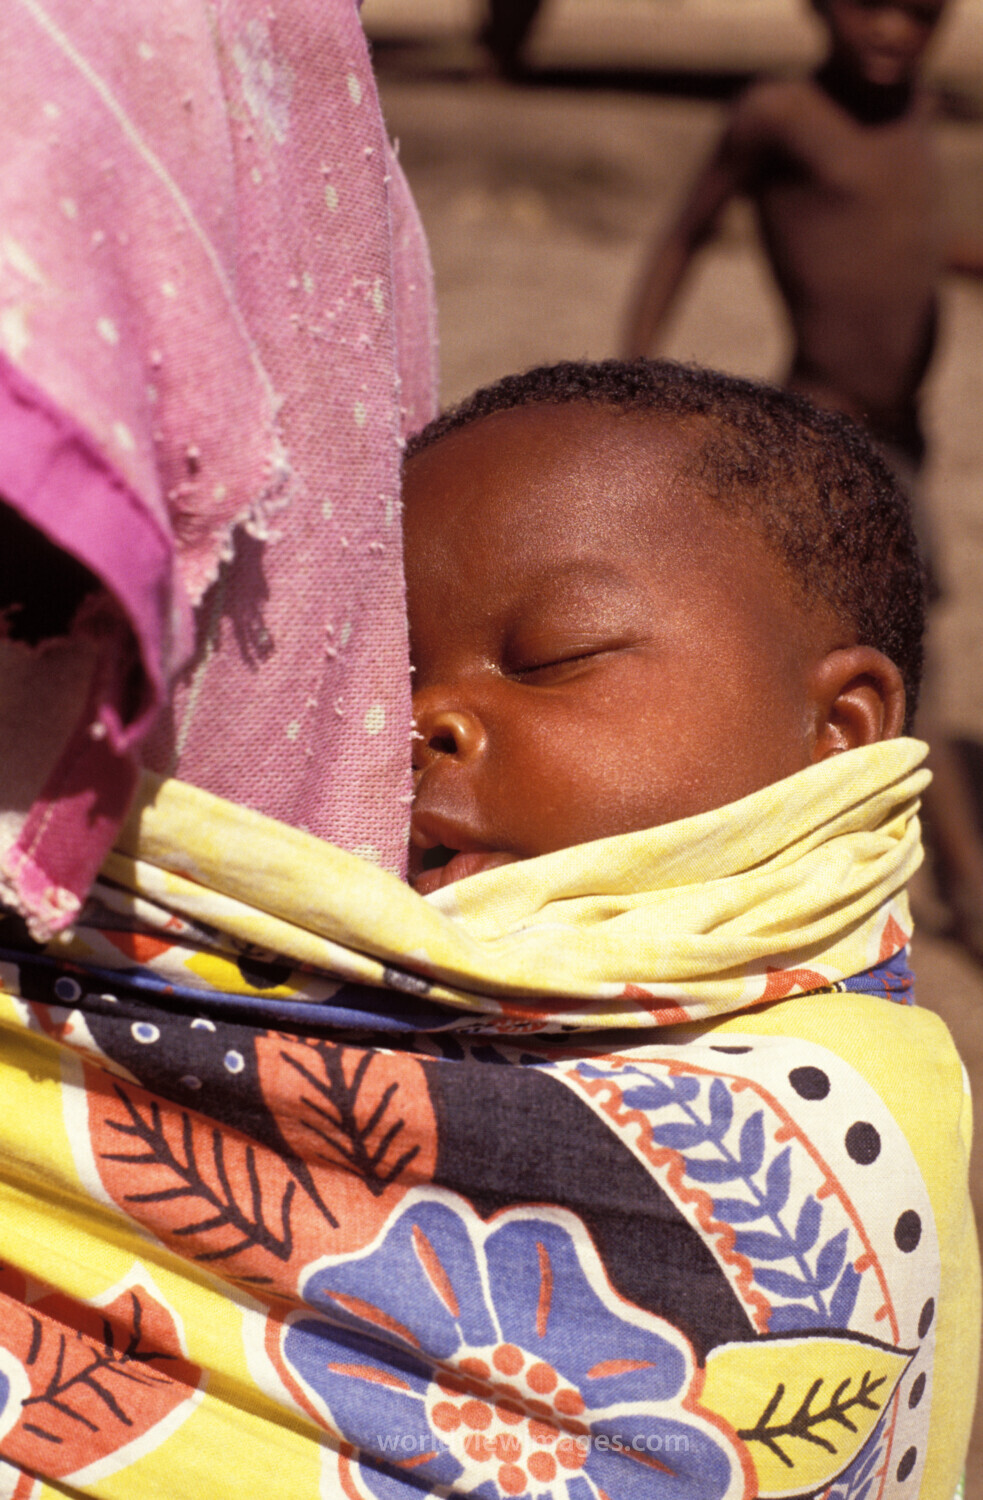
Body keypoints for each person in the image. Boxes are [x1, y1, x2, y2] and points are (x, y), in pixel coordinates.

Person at [621, 0, 983, 962]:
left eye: (918, 13)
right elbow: (681, 234)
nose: (891, 32)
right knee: (893, 666)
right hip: (828, 431)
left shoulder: (921, 114)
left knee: (873, 656)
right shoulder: (779, 115)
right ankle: (966, 889)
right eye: (869, 6)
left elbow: (897, 241)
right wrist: (635, 374)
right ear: (818, 8)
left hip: (908, 439)